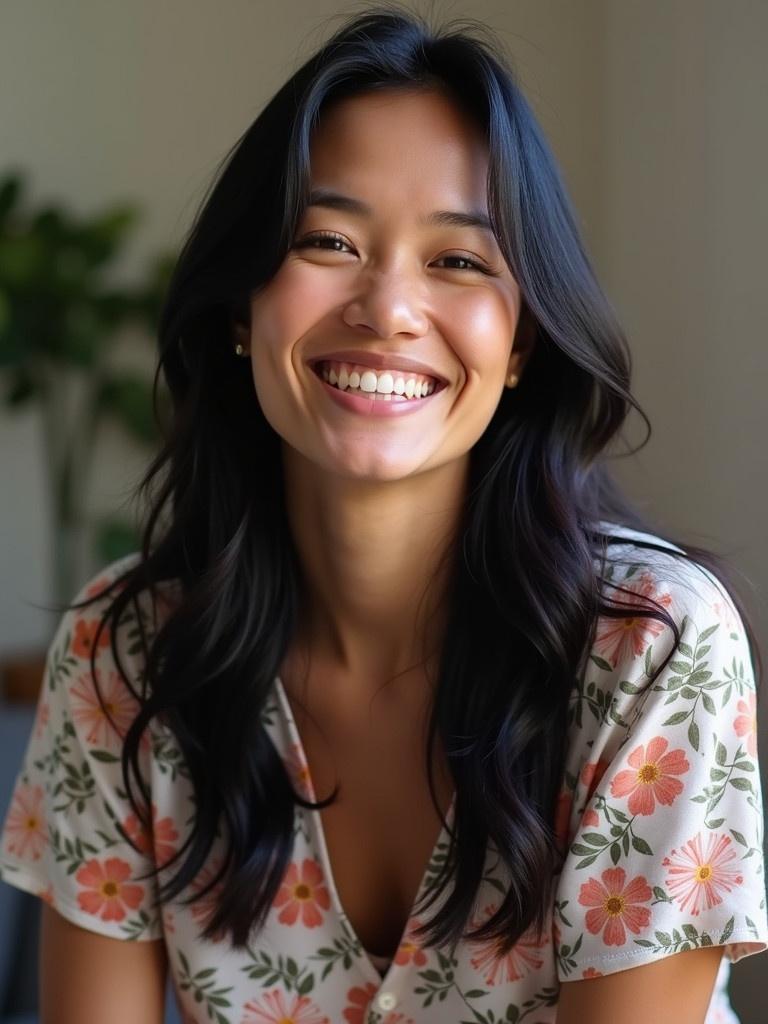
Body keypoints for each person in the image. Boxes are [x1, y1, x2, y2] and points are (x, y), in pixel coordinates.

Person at [1, 8, 766, 1024]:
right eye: (328, 239)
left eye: (458, 260)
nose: (389, 306)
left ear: (523, 339)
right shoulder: (124, 655)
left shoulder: (649, 648)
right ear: (241, 308)